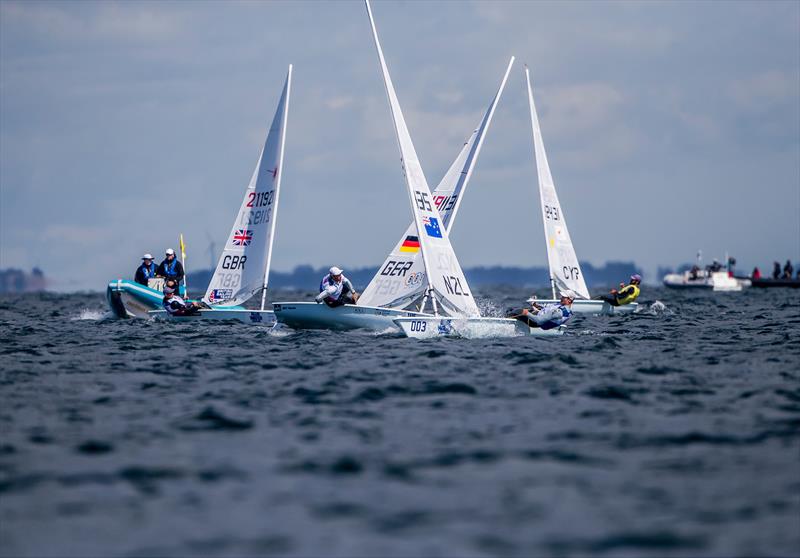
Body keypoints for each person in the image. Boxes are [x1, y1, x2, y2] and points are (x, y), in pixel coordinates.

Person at [507, 291, 575, 330]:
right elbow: (547, 308)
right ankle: (507, 319)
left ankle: (501, 322)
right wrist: (535, 304)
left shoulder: (559, 312)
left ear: (569, 300)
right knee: (511, 309)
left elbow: (539, 321)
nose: (561, 298)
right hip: (537, 314)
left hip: (534, 321)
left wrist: (526, 313)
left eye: (564, 297)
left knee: (518, 311)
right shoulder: (561, 305)